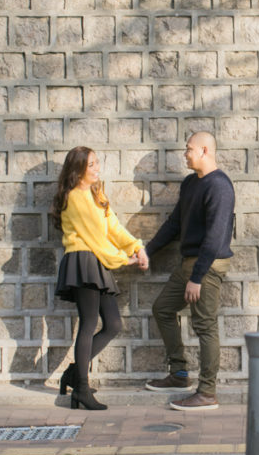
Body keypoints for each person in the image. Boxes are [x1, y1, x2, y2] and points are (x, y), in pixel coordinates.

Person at [52, 146, 149, 411]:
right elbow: (96, 239)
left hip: (97, 261)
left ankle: (74, 374)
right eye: (91, 165)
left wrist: (136, 247)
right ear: (77, 169)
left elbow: (112, 227)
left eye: (97, 163)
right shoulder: (74, 198)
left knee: (114, 324)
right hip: (83, 260)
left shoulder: (96, 193)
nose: (97, 169)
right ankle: (81, 389)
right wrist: (123, 260)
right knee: (89, 322)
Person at [145, 131, 234, 411]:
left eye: (189, 149)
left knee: (204, 325)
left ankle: (207, 392)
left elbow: (215, 237)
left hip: (206, 266)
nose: (185, 154)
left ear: (205, 151)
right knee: (162, 308)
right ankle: (179, 373)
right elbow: (174, 224)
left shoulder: (219, 186)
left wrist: (196, 278)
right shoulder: (190, 184)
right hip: (189, 264)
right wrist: (147, 251)